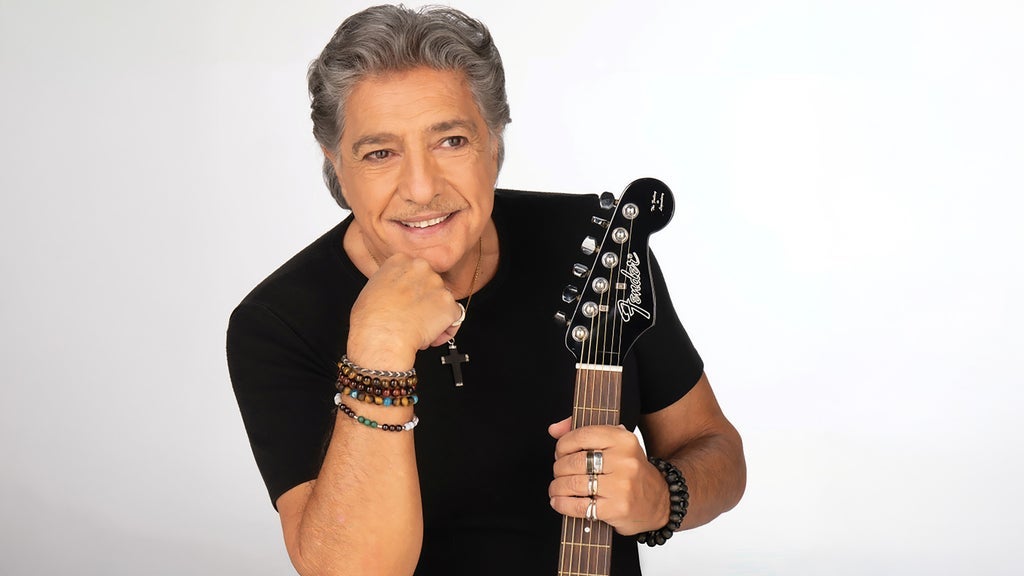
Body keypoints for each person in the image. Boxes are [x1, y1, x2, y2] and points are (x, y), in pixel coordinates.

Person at [226, 5, 745, 575]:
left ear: (494, 142)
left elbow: (714, 447)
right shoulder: (277, 322)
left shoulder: (600, 246)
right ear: (335, 164)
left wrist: (662, 496)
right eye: (380, 153)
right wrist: (379, 344)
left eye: (450, 140)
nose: (420, 187)